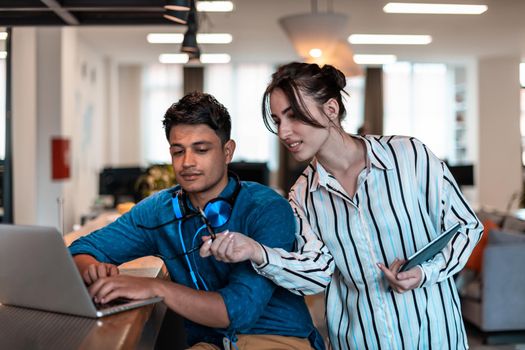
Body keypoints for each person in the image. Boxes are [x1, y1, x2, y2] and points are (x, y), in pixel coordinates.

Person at [200, 62, 483, 349]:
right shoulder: (303, 195)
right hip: (360, 341)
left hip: (435, 337)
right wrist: (256, 251)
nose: (284, 132)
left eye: (293, 116)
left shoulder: (409, 156)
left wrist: (425, 272)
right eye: (277, 120)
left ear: (331, 109)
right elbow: (317, 273)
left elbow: (467, 227)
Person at [69, 91, 324, 350]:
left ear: (227, 151)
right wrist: (93, 268)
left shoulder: (267, 208)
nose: (187, 162)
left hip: (279, 338)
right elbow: (79, 251)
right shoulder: (160, 210)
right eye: (178, 151)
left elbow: (239, 311)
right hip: (210, 343)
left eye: (201, 149)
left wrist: (156, 288)